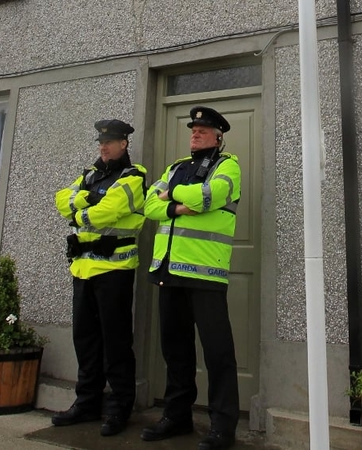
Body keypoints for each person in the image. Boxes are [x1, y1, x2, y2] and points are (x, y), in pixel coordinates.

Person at [140, 106, 241, 450]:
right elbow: (149, 206)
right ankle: (177, 416)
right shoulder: (175, 168)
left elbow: (209, 196)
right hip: (168, 272)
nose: (196, 133)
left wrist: (176, 195)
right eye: (193, 129)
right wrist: (178, 204)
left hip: (205, 274)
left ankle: (222, 427)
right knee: (176, 350)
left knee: (218, 353)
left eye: (203, 129)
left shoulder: (228, 166)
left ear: (218, 136)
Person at [52, 119, 147, 437]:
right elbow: (60, 199)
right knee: (86, 340)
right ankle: (87, 402)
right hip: (82, 269)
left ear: (124, 144)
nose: (103, 147)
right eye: (101, 142)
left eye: (110, 142)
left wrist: (80, 205)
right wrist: (84, 200)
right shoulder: (90, 175)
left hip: (114, 271)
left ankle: (120, 406)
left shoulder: (134, 177)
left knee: (116, 342)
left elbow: (106, 212)